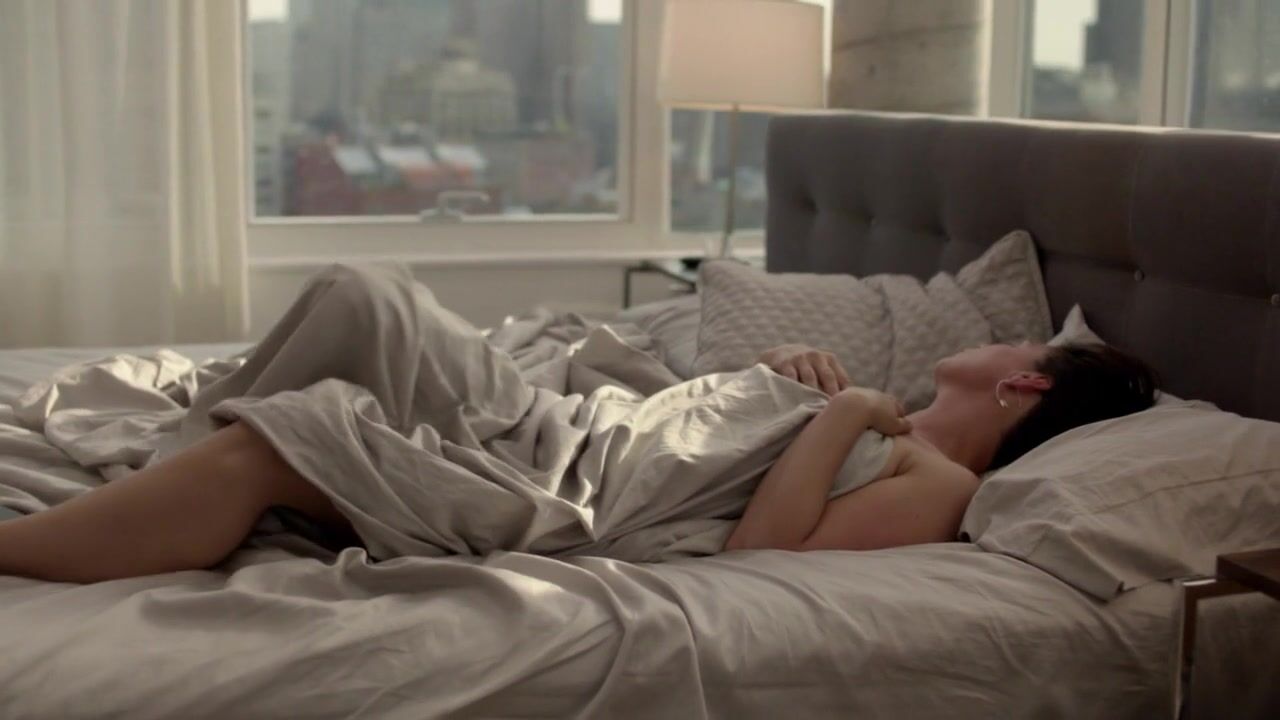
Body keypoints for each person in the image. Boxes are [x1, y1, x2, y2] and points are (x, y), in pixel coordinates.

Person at [0, 268, 1157, 583]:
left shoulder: (942, 484)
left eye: (1018, 341)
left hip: (573, 493)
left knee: (292, 431)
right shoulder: (870, 408)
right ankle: (154, 471)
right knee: (362, 296)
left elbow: (763, 552)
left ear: (1024, 385)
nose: (1000, 339)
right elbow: (717, 435)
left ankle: (47, 534)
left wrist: (844, 410)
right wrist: (776, 381)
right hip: (575, 423)